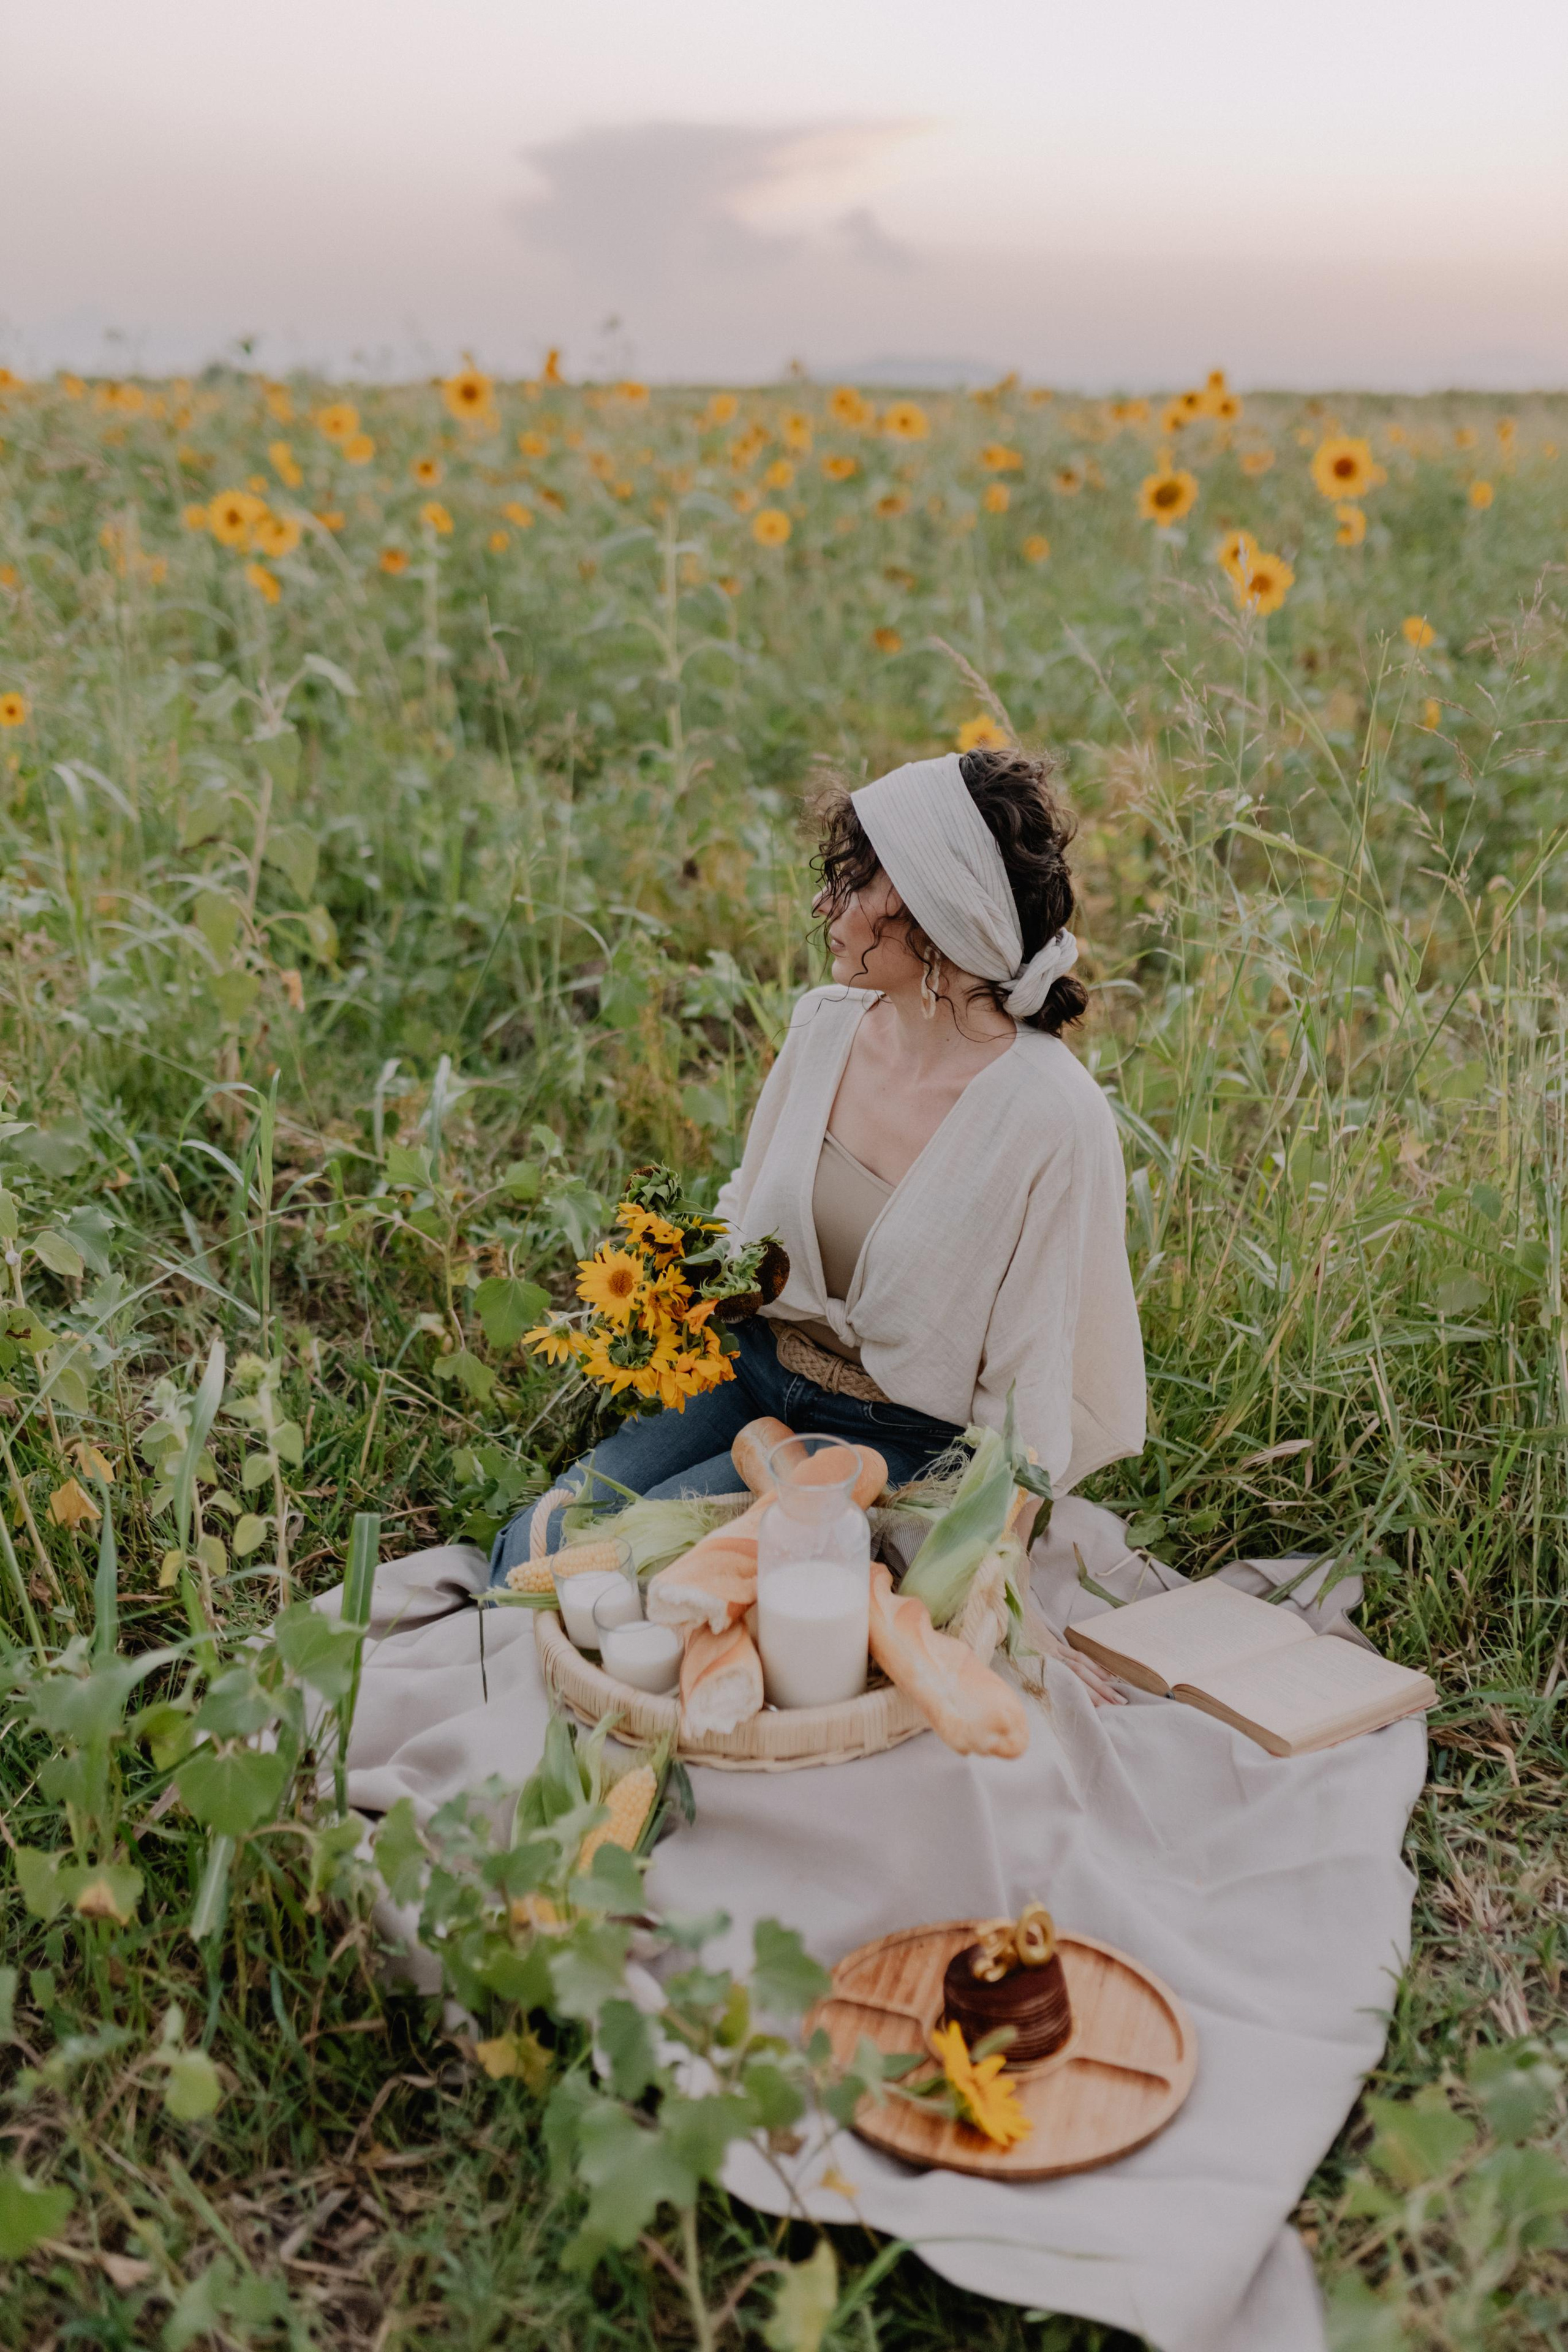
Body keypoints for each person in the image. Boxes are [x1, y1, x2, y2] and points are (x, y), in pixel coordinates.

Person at [490, 745, 1145, 1699]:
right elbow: (748, 1204)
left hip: (898, 1440)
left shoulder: (1051, 1117)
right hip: (756, 1373)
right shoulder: (824, 1025)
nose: (826, 909)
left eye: (855, 885)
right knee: (536, 1553)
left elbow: (1029, 1375)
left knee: (647, 1591)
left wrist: (987, 1551)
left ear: (931, 916)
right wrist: (678, 1292)